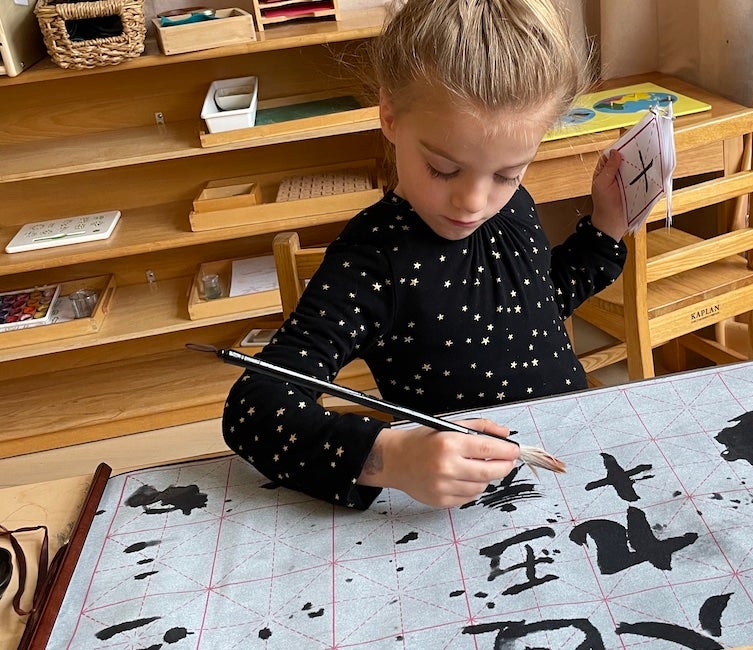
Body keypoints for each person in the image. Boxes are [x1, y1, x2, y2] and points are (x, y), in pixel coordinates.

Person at [222, 0, 628, 510]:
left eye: (507, 174)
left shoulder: (514, 208)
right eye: (442, 168)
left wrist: (607, 227)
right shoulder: (373, 261)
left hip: (574, 460)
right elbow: (254, 409)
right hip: (471, 506)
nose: (474, 203)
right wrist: (387, 458)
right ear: (389, 115)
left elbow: (541, 304)